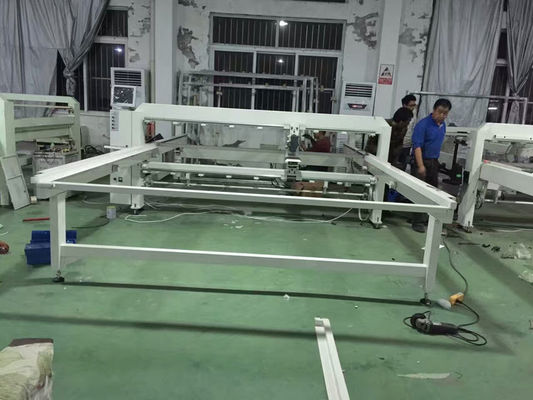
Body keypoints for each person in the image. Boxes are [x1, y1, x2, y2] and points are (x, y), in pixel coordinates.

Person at [410, 98, 452, 232]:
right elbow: (417, 146)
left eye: (445, 113)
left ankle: (429, 218)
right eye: (440, 112)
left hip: (434, 161)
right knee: (419, 192)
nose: (442, 115)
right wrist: (421, 166)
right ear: (434, 110)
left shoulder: (443, 125)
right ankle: (417, 221)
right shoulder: (423, 125)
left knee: (433, 192)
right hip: (421, 161)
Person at [398, 94, 418, 170]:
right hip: (399, 145)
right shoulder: (400, 115)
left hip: (408, 145)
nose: (413, 108)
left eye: (414, 105)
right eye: (411, 106)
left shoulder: (414, 112)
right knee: (396, 166)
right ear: (404, 105)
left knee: (403, 166)